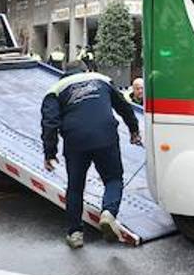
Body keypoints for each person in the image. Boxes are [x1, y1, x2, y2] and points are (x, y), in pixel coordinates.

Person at [41, 62, 142, 249]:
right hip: (106, 136)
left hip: (75, 141)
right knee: (113, 179)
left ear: (64, 73)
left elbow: (50, 123)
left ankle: (75, 234)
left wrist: (50, 153)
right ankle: (108, 213)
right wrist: (134, 130)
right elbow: (124, 107)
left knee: (75, 187)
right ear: (85, 70)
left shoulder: (55, 90)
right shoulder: (100, 80)